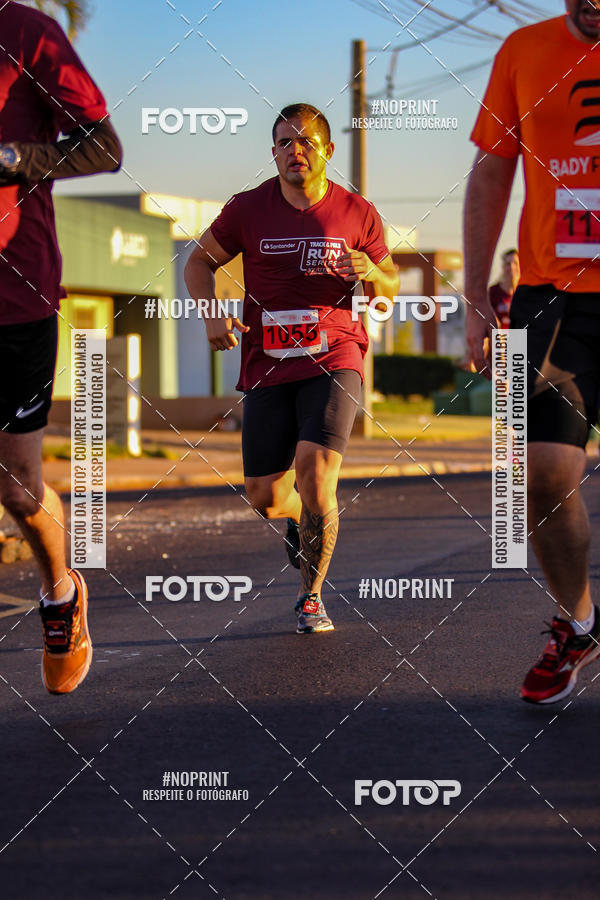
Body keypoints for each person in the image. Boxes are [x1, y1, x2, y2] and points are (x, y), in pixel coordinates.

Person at [185, 102, 399, 634]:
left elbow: (391, 286)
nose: (294, 150)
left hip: (335, 355)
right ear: (273, 152)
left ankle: (311, 597)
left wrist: (373, 272)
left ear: (327, 150)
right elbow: (198, 261)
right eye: (284, 142)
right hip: (268, 362)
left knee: (316, 472)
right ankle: (299, 519)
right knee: (264, 496)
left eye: (305, 141)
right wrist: (211, 312)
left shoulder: (357, 212)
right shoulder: (247, 208)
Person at [464, 0, 600, 703]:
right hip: (550, 299)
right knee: (541, 476)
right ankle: (578, 627)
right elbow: (491, 174)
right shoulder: (522, 51)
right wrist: (474, 295)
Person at [0, 1, 122, 693]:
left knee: (18, 486)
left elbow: (104, 147)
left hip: (15, 297)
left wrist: (12, 158)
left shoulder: (27, 33)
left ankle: (61, 594)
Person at [488, 248, 520, 329]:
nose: (512, 267)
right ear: (503, 267)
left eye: (515, 263)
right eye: (508, 264)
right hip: (499, 334)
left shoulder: (525, 292)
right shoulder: (493, 292)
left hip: (520, 335)